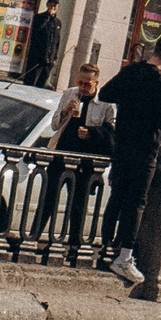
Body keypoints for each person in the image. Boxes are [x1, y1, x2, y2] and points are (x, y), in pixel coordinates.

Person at [98, 31, 161, 286]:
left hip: (122, 146)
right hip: (145, 151)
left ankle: (104, 247)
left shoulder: (131, 71)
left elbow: (105, 94)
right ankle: (124, 257)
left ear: (155, 51)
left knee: (117, 197)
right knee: (136, 203)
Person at [34, 61, 110, 244]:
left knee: (77, 205)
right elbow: (55, 125)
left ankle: (74, 246)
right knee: (48, 199)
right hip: (62, 153)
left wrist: (91, 133)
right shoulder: (70, 93)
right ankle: (33, 238)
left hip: (84, 160)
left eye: (87, 84)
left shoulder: (105, 104)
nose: (82, 87)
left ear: (96, 83)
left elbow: (111, 133)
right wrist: (65, 111)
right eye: (80, 82)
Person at [23, 0, 63, 89]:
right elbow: (37, 29)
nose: (53, 7)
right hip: (36, 59)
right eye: (51, 5)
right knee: (30, 83)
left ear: (58, 7)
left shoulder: (58, 23)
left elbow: (57, 42)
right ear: (47, 5)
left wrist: (54, 58)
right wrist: (48, 16)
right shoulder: (39, 17)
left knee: (41, 85)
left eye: (55, 5)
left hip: (48, 60)